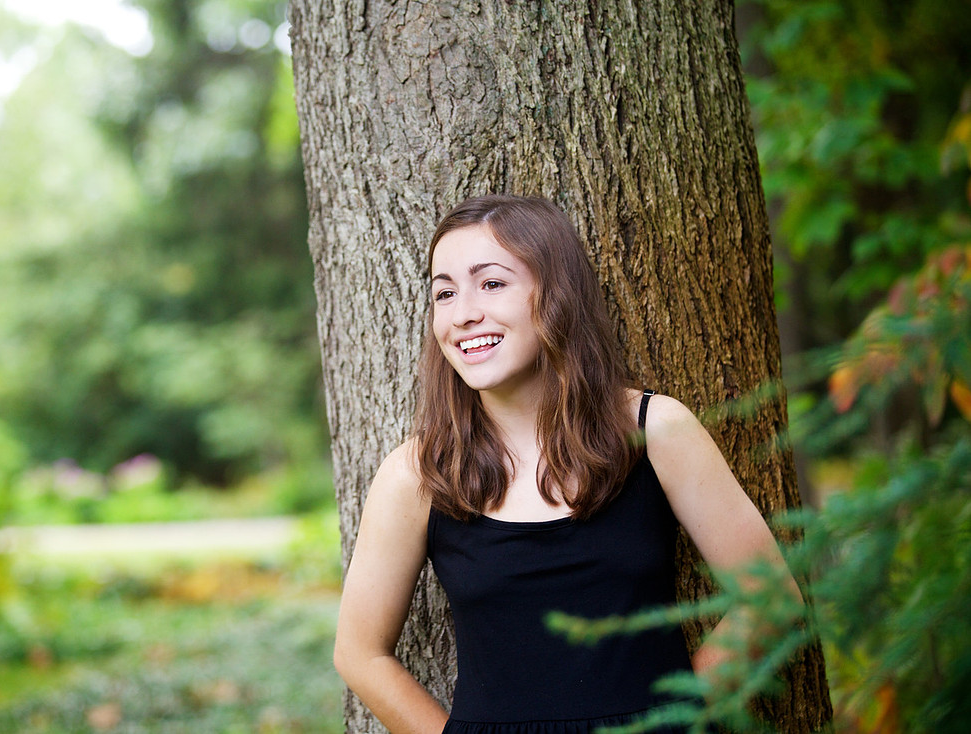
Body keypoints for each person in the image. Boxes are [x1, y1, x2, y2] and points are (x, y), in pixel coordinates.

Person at [333, 195, 801, 733]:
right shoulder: (418, 474)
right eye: (444, 292)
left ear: (555, 294)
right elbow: (359, 652)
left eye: (492, 283)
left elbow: (772, 599)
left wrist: (678, 718)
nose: (462, 313)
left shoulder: (655, 431)